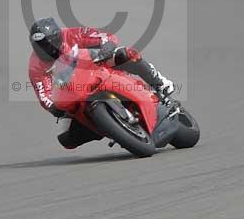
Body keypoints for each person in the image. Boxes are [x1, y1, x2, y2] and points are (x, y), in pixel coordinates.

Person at [28, 17, 175, 149]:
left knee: (125, 54)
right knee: (66, 137)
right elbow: (43, 94)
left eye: (48, 44)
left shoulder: (71, 34)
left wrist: (107, 47)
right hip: (74, 91)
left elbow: (104, 37)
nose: (45, 49)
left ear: (58, 37)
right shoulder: (35, 65)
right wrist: (53, 107)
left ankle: (159, 82)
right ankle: (107, 128)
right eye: (40, 46)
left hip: (97, 66)